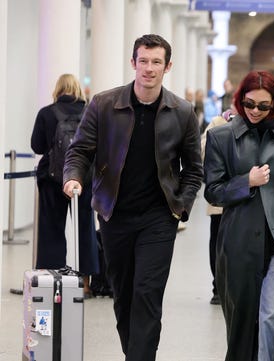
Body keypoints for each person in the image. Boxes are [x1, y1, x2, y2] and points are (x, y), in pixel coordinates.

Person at [62, 34, 203, 361]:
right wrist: (73, 178)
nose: (149, 69)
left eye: (156, 62)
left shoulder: (182, 112)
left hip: (158, 219)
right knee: (124, 297)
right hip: (114, 215)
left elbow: (194, 169)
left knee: (147, 295)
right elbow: (80, 150)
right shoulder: (104, 104)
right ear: (133, 63)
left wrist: (179, 208)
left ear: (168, 66)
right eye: (143, 61)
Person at [203, 70, 274, 361]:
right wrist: (247, 182)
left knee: (272, 317)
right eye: (249, 104)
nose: (255, 111)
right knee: (241, 324)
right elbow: (213, 191)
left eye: (263, 106)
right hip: (239, 242)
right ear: (240, 100)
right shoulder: (221, 136)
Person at [31, 73, 99, 298]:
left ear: (58, 89)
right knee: (85, 228)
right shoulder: (90, 112)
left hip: (52, 179)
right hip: (84, 178)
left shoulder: (46, 113)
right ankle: (86, 283)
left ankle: (53, 280)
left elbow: (37, 146)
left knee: (51, 229)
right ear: (78, 89)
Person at [201, 108, 236, 305]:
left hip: (247, 197)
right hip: (220, 198)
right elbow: (203, 151)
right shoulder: (217, 123)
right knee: (217, 243)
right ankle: (218, 286)